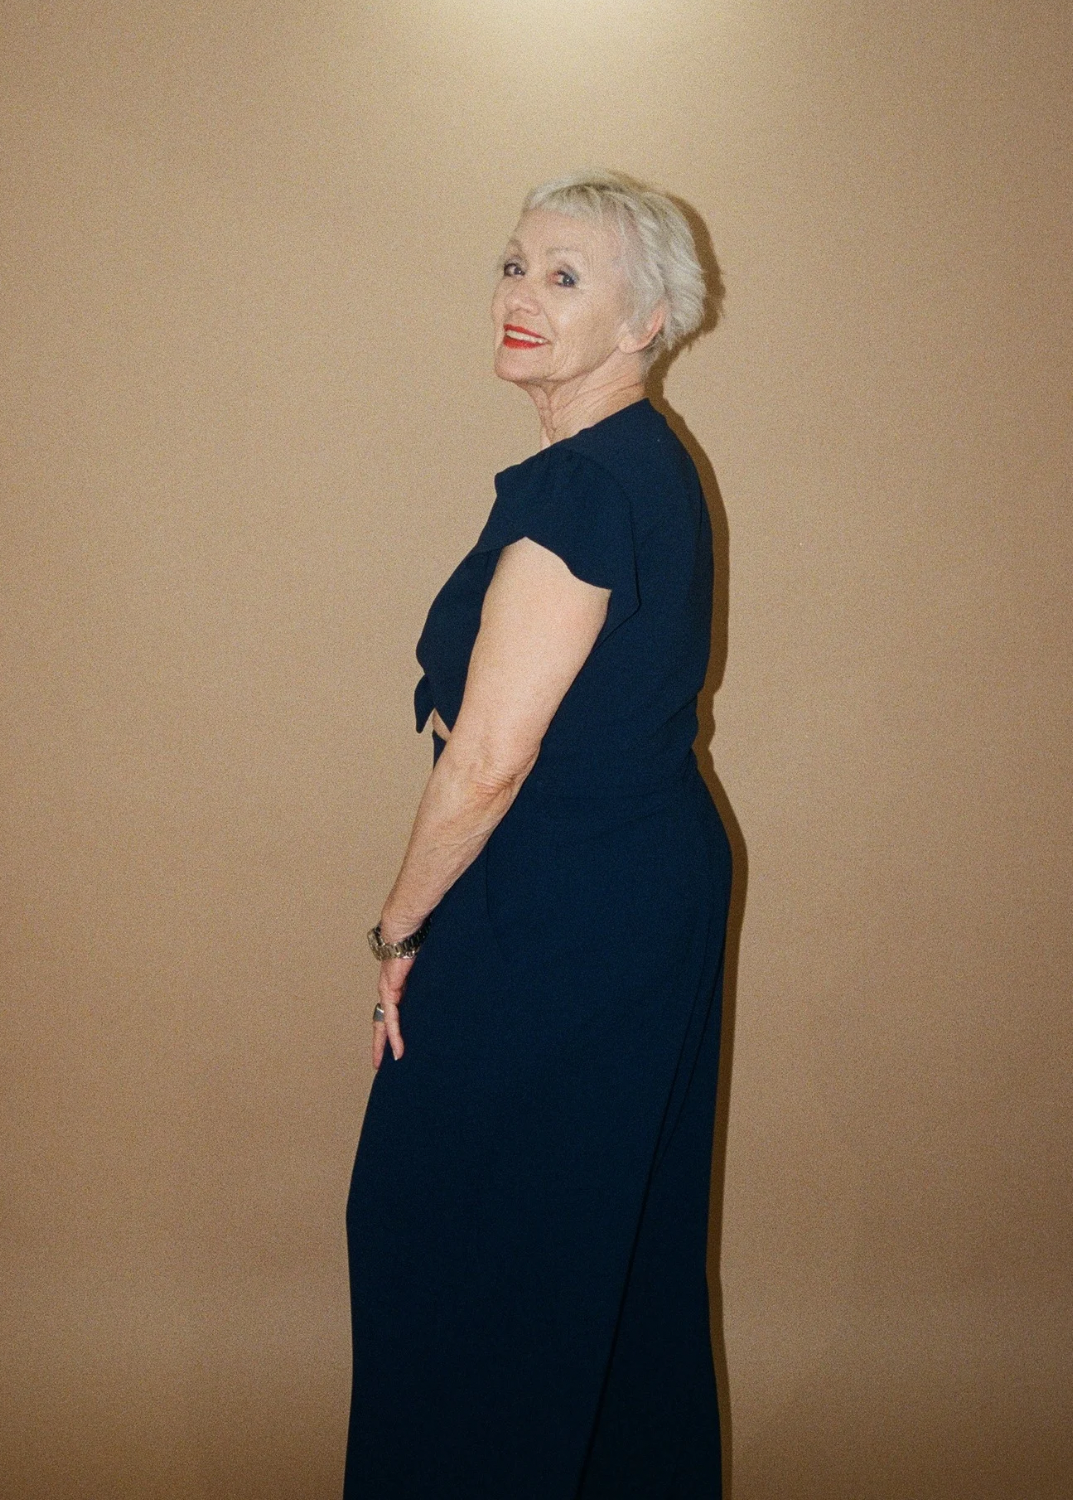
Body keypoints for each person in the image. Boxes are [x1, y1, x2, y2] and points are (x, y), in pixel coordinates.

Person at [344, 170, 732, 1500]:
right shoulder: (637, 468)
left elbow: (489, 759)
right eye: (515, 265)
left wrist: (398, 931)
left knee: (454, 1235)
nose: (522, 294)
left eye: (567, 277)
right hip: (622, 894)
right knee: (593, 1245)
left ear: (646, 323)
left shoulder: (583, 494)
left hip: (565, 914)